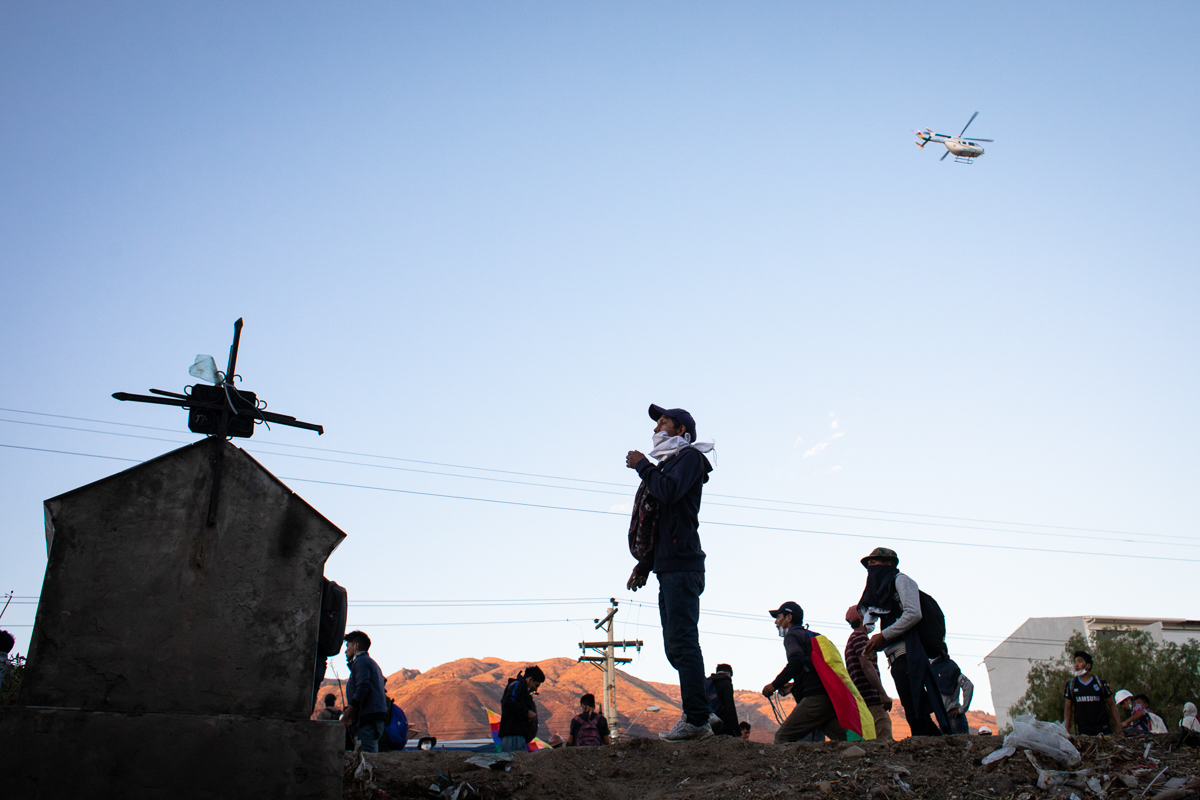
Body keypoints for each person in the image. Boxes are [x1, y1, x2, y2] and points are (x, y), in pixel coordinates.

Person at [625, 403, 715, 742]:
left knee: (683, 643)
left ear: (681, 431)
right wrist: (645, 564)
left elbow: (669, 492)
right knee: (675, 648)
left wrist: (643, 466)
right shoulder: (668, 465)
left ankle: (697, 720)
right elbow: (661, 522)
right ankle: (703, 710)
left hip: (683, 566)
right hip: (668, 568)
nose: (656, 426)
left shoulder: (688, 458)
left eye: (664, 421)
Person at [858, 547, 949, 736]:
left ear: (889, 564)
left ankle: (927, 750)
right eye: (869, 565)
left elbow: (913, 613)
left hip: (909, 653)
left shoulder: (902, 580)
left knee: (914, 709)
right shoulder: (885, 590)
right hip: (896, 657)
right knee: (914, 710)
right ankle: (934, 747)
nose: (871, 567)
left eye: (875, 562)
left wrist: (884, 636)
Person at [762, 601, 851, 743]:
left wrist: (774, 684)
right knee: (845, 738)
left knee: (782, 737)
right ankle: (867, 757)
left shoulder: (791, 636)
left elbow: (796, 661)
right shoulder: (812, 636)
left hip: (815, 697)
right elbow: (811, 669)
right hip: (830, 695)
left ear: (788, 618)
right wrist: (793, 685)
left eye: (778, 617)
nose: (776, 622)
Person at [844, 606, 894, 741]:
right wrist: (882, 694)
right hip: (872, 699)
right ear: (861, 618)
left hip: (862, 699)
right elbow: (866, 666)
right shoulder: (860, 638)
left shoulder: (851, 640)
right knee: (884, 738)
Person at [341, 630, 388, 752]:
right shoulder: (371, 663)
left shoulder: (361, 662)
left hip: (367, 720)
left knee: (367, 761)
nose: (346, 651)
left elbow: (362, 689)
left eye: (348, 646)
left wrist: (348, 714)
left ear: (356, 646)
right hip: (372, 718)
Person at [1063, 650, 1122, 737]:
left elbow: (1112, 705)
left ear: (1088, 665)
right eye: (1074, 662)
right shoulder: (1071, 685)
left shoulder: (1100, 683)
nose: (1076, 665)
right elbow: (1068, 709)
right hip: (1084, 732)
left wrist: (1119, 727)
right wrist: (1066, 731)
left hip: (1104, 731)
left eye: (1080, 661)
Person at [499, 665, 545, 752]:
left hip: (518, 735)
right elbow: (509, 702)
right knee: (514, 763)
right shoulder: (517, 685)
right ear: (530, 680)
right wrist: (527, 712)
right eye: (536, 685)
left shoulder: (524, 692)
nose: (535, 689)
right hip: (512, 735)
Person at [929, 650, 973, 735]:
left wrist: (962, 709)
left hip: (953, 716)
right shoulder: (936, 669)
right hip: (944, 718)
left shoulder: (950, 668)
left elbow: (968, 685)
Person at [707, 663, 740, 737]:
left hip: (709, 721)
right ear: (728, 674)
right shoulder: (726, 683)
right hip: (723, 723)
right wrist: (736, 730)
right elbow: (730, 706)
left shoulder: (708, 682)